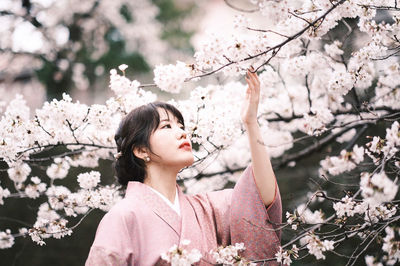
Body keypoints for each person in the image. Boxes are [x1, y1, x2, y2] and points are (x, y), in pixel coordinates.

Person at [85, 68, 282, 265]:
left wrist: (251, 123)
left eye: (181, 126)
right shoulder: (123, 217)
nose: (182, 133)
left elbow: (258, 199)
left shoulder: (206, 209)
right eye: (166, 126)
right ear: (141, 151)